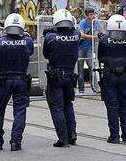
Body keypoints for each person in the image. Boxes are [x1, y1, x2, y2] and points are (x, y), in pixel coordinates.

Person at [0, 13, 34, 151]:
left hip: (4, 80)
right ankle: (16, 142)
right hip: (21, 80)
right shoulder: (27, 41)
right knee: (20, 111)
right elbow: (30, 53)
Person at [43, 9, 80, 147]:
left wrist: (50, 33)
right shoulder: (76, 34)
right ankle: (72, 134)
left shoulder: (51, 37)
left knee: (57, 107)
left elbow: (46, 54)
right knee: (68, 104)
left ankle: (63, 138)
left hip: (56, 76)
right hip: (70, 76)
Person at [97, 14, 126, 144]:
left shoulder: (105, 40)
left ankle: (114, 136)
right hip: (123, 74)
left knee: (112, 106)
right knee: (124, 105)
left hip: (110, 75)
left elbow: (100, 58)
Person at [77, 8, 102, 94]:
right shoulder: (83, 22)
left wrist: (89, 36)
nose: (92, 16)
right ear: (86, 15)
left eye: (93, 14)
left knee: (91, 66)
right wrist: (92, 37)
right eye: (90, 14)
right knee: (80, 68)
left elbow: (96, 35)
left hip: (89, 47)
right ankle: (81, 89)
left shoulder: (96, 22)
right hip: (80, 47)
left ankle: (94, 87)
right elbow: (81, 34)